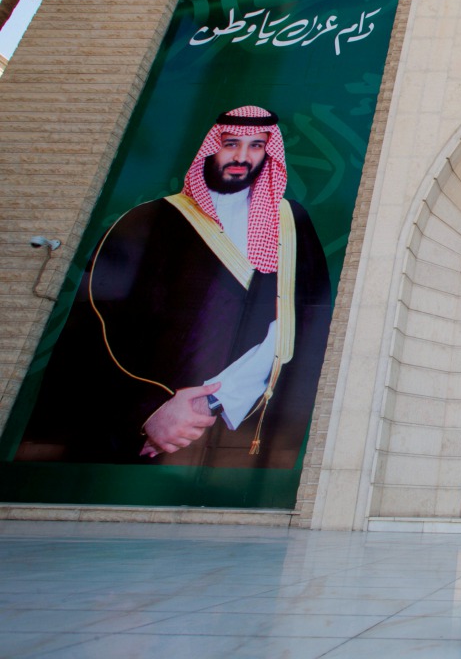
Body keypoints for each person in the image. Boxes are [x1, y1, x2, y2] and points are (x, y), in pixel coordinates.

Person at [17, 105, 332, 469]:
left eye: (256, 147)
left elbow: (306, 322)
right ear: (210, 147)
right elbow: (97, 328)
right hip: (143, 429)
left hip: (246, 426)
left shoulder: (291, 224)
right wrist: (151, 410)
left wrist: (211, 401)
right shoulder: (149, 219)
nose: (242, 158)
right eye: (231, 144)